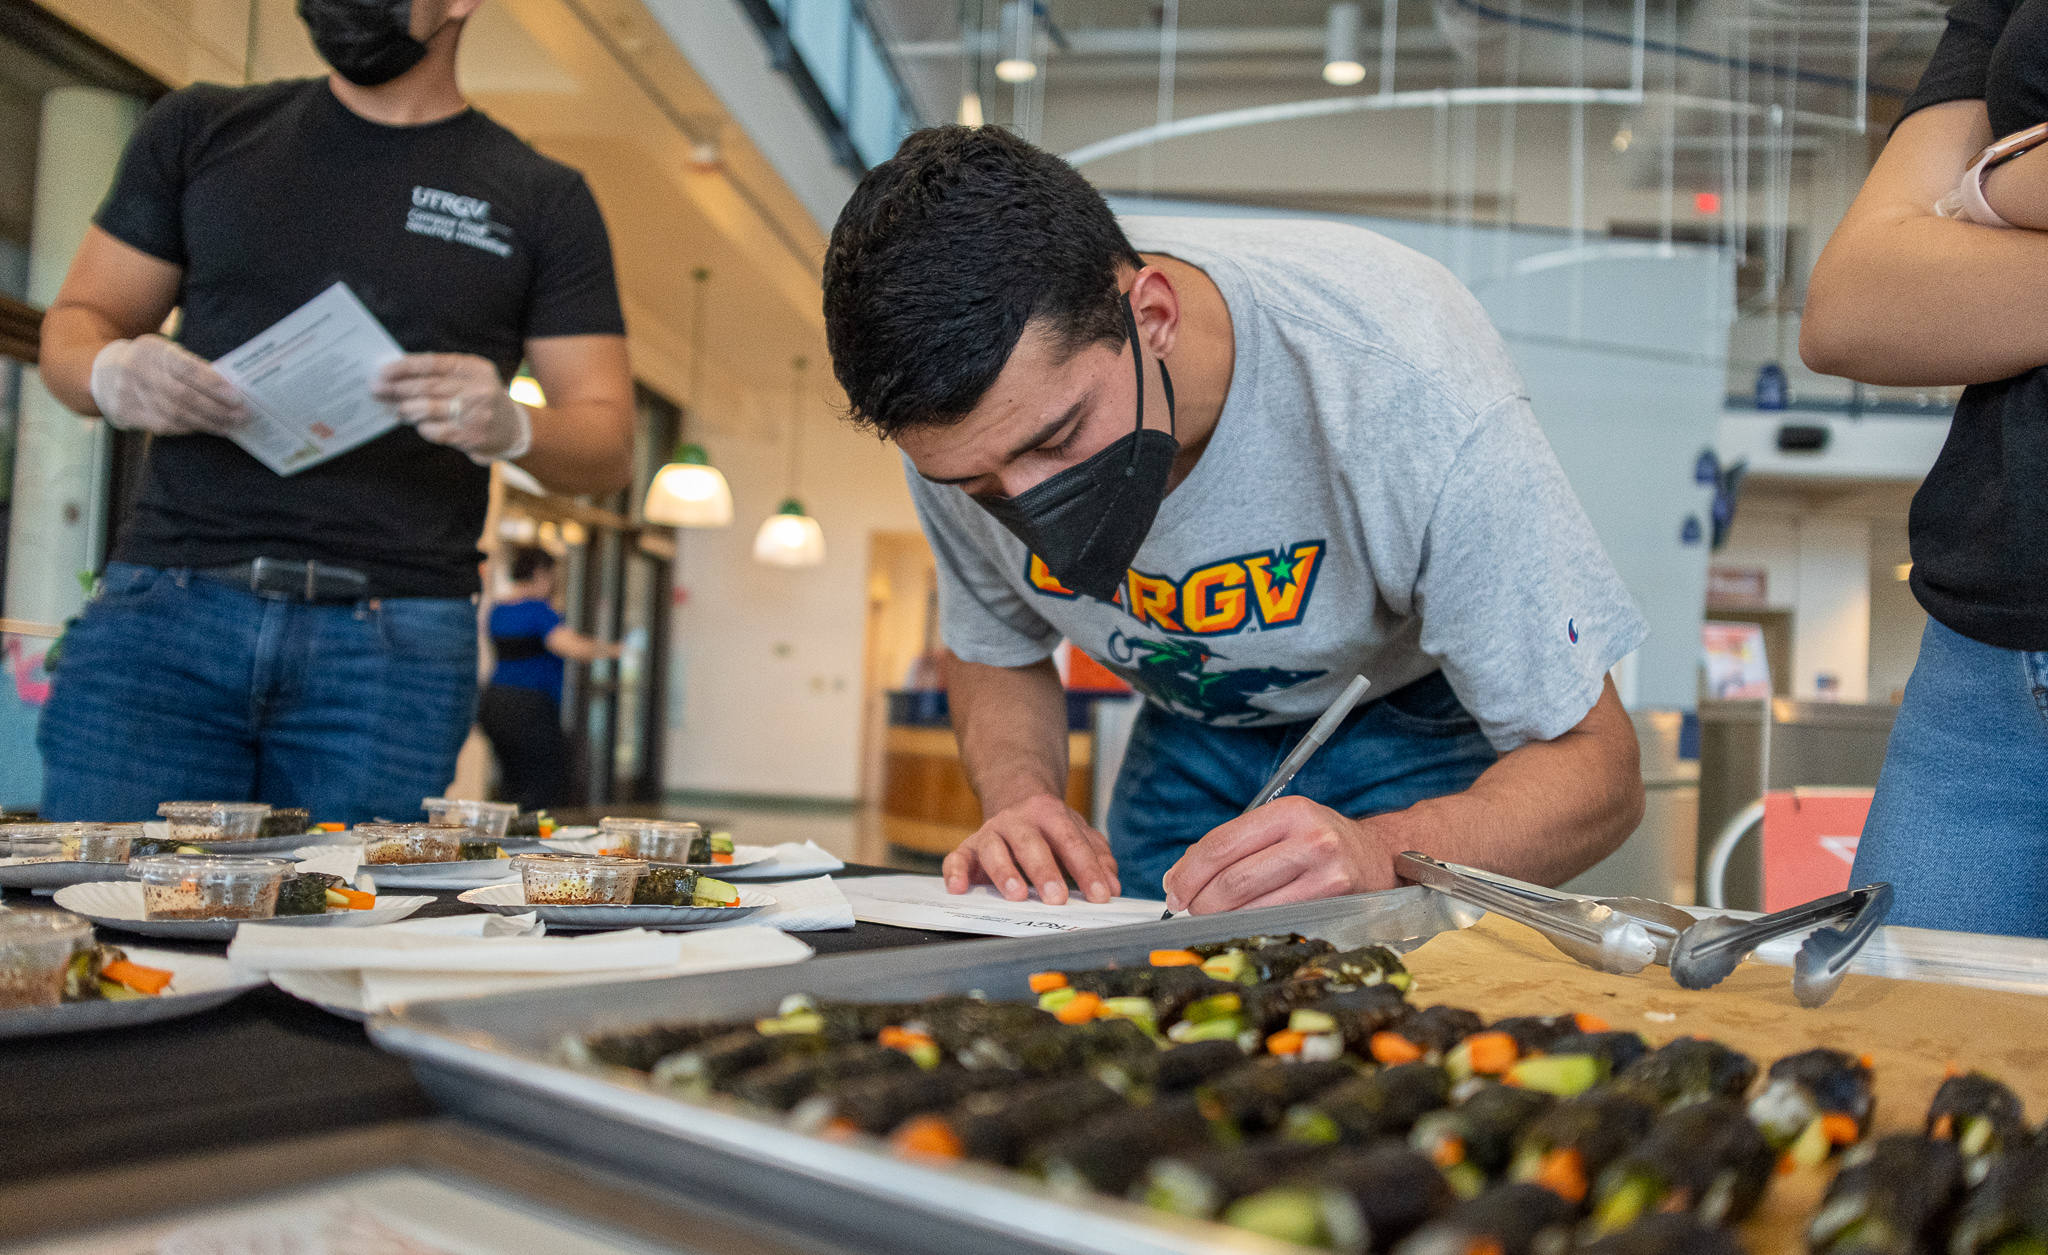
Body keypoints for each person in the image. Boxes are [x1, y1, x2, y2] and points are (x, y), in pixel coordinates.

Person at [822, 126, 1647, 912]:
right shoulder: (958, 427)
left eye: (1061, 436)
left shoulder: (1407, 384)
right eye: (977, 482)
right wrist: (1023, 800)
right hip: (1187, 722)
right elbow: (995, 650)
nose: (1027, 496)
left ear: (1152, 317)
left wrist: (1382, 850)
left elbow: (1598, 773)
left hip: (1412, 721)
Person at [34, 0, 632, 824]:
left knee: (344, 937)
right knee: (108, 916)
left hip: (393, 647)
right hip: (167, 616)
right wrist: (110, 369)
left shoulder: (541, 200)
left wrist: (513, 425)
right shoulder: (201, 130)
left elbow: (607, 445)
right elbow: (72, 328)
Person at [1801, 0, 2048, 936]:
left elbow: (1993, 197)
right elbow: (1855, 303)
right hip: (1982, 670)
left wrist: (1992, 196)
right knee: (1901, 1067)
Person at [477, 546, 618, 810]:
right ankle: (531, 847)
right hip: (529, 709)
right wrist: (612, 649)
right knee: (543, 786)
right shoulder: (538, 611)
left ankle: (507, 844)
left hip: (494, 704)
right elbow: (568, 646)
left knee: (512, 783)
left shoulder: (498, 610)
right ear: (541, 573)